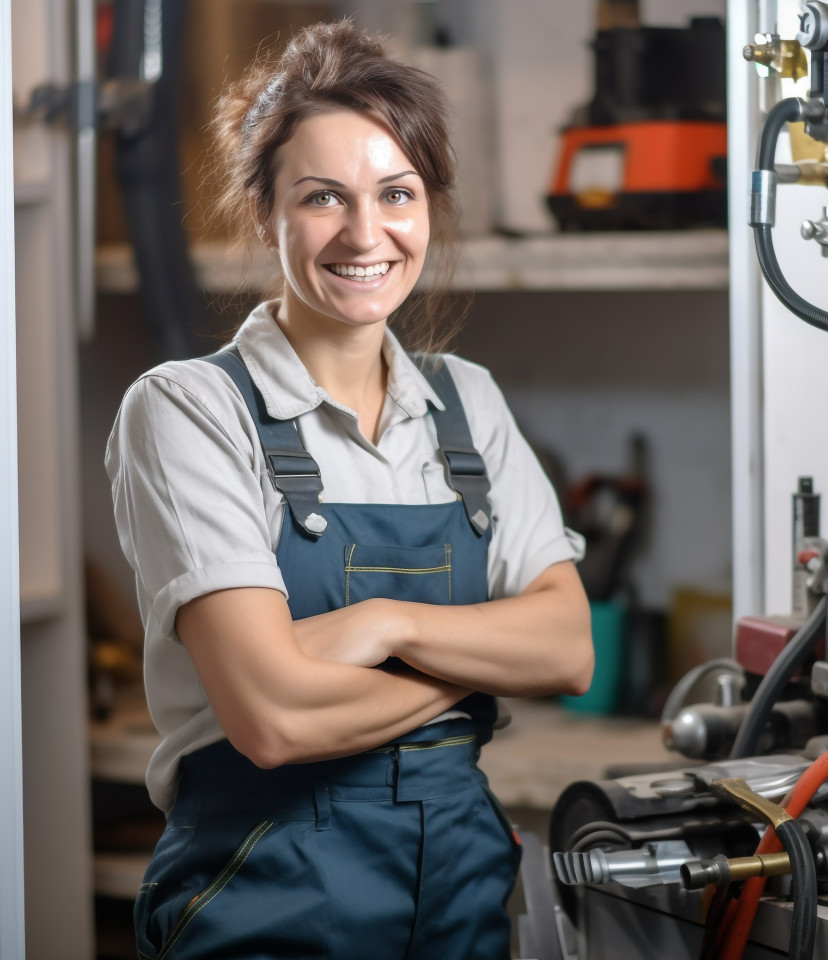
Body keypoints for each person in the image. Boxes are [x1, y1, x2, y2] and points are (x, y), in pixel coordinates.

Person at [106, 19, 593, 960]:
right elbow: (275, 721)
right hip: (264, 881)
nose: (366, 235)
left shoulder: (466, 402)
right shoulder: (189, 410)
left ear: (428, 208)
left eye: (396, 195)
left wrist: (386, 624)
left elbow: (570, 650)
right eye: (323, 198)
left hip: (460, 881)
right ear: (264, 214)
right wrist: (483, 669)